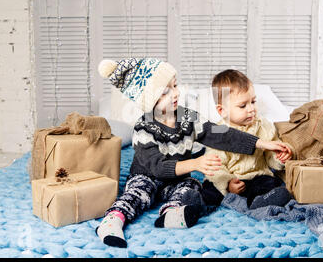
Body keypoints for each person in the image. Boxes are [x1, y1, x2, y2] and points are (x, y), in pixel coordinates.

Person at [95, 58, 290, 248]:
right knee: (139, 192)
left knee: (191, 187)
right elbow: (157, 167)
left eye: (175, 86)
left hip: (177, 179)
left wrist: (261, 143)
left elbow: (221, 134)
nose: (175, 94)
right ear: (148, 101)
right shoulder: (143, 129)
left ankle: (171, 214)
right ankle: (114, 220)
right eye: (165, 92)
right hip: (147, 176)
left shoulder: (187, 117)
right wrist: (195, 164)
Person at [183, 69, 293, 210]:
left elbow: (270, 156)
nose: (251, 109)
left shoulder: (263, 126)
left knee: (270, 183)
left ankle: (261, 201)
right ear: (222, 110)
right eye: (243, 106)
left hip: (256, 176)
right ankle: (195, 205)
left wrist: (280, 158)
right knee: (210, 187)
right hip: (230, 178)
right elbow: (215, 165)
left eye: (253, 102)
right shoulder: (218, 131)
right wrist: (228, 183)